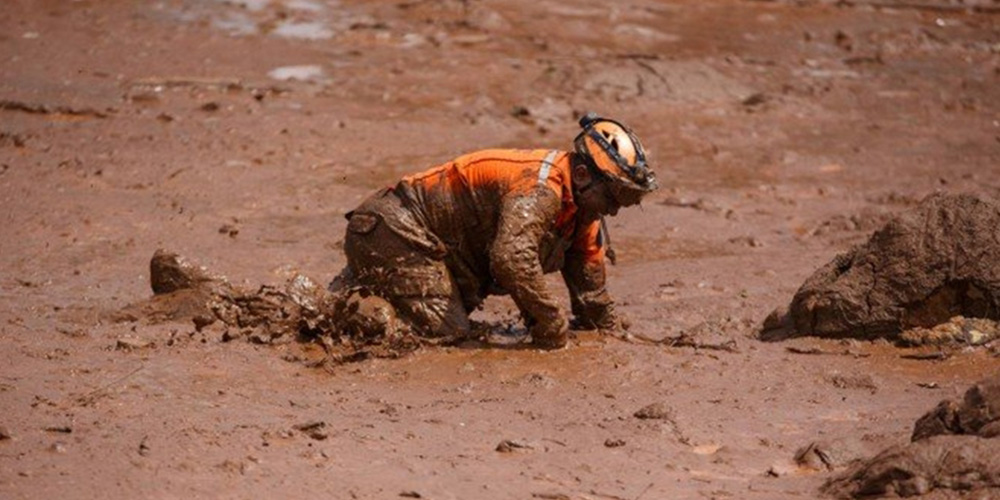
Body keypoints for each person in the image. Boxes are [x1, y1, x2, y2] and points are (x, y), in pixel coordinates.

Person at [329, 112, 658, 349]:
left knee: (452, 316)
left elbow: (591, 292)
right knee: (446, 330)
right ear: (584, 175)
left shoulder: (583, 211)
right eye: (615, 196)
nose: (616, 209)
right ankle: (344, 314)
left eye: (628, 200)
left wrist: (608, 332)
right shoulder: (540, 188)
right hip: (396, 229)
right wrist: (550, 321)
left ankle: (362, 291)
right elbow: (512, 258)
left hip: (431, 245)